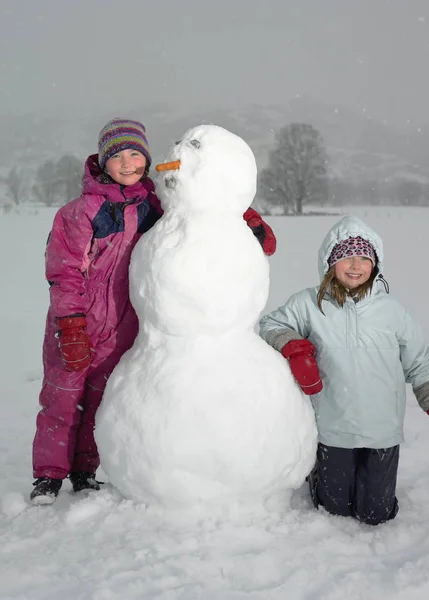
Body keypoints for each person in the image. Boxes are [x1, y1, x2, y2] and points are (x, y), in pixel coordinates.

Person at [31, 118, 277, 504]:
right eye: (118, 156)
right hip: (77, 324)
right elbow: (63, 275)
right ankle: (47, 477)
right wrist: (71, 326)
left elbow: (199, 201)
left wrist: (246, 219)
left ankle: (84, 471)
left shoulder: (153, 204)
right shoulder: (78, 213)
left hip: (123, 329)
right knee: (61, 402)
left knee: (97, 402)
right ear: (103, 160)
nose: (128, 164)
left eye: (136, 154)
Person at [259, 215, 429, 525]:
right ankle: (317, 476)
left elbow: (420, 363)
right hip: (333, 427)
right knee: (334, 511)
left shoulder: (391, 311)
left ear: (375, 264)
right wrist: (294, 347)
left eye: (364, 257)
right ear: (330, 261)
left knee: (376, 514)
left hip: (381, 431)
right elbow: (270, 325)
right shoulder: (309, 304)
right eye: (346, 256)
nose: (356, 265)